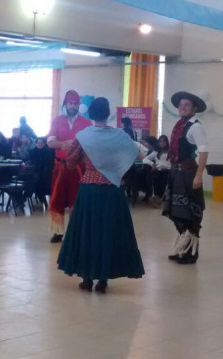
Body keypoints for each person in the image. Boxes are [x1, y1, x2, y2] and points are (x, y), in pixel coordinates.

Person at [57, 97, 144, 293]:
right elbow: (136, 156)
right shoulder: (120, 135)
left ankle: (87, 279)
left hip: (89, 190)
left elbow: (70, 161)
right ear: (108, 113)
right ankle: (103, 280)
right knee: (109, 234)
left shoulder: (84, 135)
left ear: (90, 114)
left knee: (88, 233)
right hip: (113, 190)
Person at [163, 91, 209, 264]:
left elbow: (203, 152)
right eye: (181, 105)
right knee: (177, 212)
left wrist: (198, 175)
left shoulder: (196, 127)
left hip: (188, 173)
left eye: (186, 105)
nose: (182, 108)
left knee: (188, 213)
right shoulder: (180, 125)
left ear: (194, 108)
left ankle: (191, 253)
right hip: (177, 172)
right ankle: (182, 248)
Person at [47, 90, 92, 243]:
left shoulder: (87, 123)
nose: (73, 106)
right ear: (65, 104)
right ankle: (58, 232)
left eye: (76, 103)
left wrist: (77, 145)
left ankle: (75, 232)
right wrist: (63, 144)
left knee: (77, 201)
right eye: (70, 103)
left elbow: (90, 145)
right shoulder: (57, 121)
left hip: (79, 168)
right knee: (56, 199)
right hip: (60, 167)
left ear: (79, 105)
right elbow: (50, 142)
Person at [143, 135, 171, 207]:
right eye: (160, 141)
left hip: (168, 170)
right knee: (152, 177)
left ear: (167, 142)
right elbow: (145, 159)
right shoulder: (156, 152)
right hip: (158, 170)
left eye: (164, 141)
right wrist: (152, 164)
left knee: (165, 179)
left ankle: (160, 198)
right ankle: (154, 197)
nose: (162, 143)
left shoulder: (170, 152)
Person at [27, 137, 55, 205]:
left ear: (44, 143)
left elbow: (50, 163)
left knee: (38, 179)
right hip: (35, 171)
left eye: (41, 143)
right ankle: (26, 196)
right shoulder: (33, 151)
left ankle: (27, 196)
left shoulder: (48, 151)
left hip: (46, 171)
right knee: (33, 179)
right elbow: (28, 160)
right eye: (38, 143)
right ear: (36, 143)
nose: (39, 144)